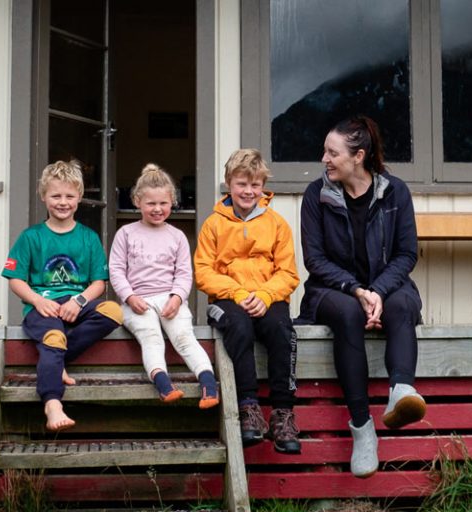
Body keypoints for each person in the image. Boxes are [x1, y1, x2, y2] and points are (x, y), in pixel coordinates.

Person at [297, 115, 425, 478]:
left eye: (332, 152)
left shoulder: (395, 192)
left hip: (386, 287)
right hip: (331, 292)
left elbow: (406, 254)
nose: (324, 159)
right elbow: (315, 260)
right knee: (349, 314)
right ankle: (362, 429)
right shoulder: (316, 196)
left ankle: (401, 390)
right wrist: (357, 291)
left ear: (359, 156)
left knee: (403, 303)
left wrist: (379, 292)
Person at [1, 160, 123, 432]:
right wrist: (37, 300)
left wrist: (79, 301)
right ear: (43, 196)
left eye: (69, 196)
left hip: (75, 306)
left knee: (113, 311)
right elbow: (15, 279)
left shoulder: (88, 238)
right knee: (54, 337)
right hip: (41, 309)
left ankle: (55, 361)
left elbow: (99, 283)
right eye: (56, 195)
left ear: (79, 197)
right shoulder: (31, 237)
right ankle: (52, 402)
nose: (63, 202)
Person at [195, 148, 301, 454]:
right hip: (228, 298)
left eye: (255, 185)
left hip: (267, 296)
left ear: (263, 186)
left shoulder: (277, 224)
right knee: (239, 327)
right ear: (229, 182)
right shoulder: (214, 224)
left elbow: (288, 273)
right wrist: (239, 293)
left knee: (282, 328)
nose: (249, 191)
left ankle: (283, 413)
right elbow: (203, 271)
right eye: (242, 184)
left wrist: (266, 295)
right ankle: (248, 407)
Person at [109, 164, 219, 409]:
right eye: (151, 204)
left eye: (163, 203)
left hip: (169, 299)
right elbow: (116, 270)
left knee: (184, 337)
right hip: (138, 301)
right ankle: (163, 383)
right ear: (137, 201)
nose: (157, 209)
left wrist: (178, 298)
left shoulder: (177, 236)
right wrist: (129, 297)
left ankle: (208, 383)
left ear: (172, 201)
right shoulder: (126, 234)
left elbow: (183, 273)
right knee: (152, 337)